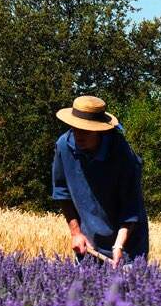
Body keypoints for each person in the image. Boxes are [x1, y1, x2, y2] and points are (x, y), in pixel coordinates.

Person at [51, 95, 148, 267]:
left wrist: (119, 245)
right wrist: (76, 233)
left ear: (100, 131)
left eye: (85, 130)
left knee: (128, 292)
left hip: (127, 245)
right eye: (75, 129)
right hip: (89, 243)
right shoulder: (64, 146)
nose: (78, 135)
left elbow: (131, 208)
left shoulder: (122, 154)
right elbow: (62, 193)